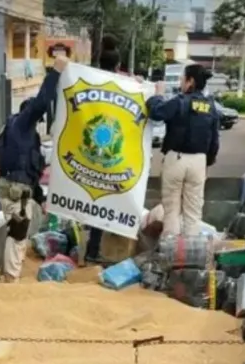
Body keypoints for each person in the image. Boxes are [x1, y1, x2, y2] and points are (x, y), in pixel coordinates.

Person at [0, 55, 69, 282]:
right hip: (14, 188)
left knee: (19, 232)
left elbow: (32, 172)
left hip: (20, 188)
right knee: (18, 233)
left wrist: (40, 199)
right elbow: (40, 103)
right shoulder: (21, 124)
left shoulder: (24, 135)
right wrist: (56, 73)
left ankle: (12, 275)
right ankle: (11, 278)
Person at [145, 64, 220, 237]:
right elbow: (215, 140)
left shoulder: (180, 101)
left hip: (176, 159)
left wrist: (157, 95)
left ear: (190, 81)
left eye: (182, 78)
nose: (180, 82)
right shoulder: (211, 106)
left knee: (171, 210)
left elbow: (156, 112)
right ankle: (190, 254)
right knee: (193, 213)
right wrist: (206, 163)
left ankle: (172, 254)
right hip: (199, 162)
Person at [84, 35, 132, 263]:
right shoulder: (127, 86)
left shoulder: (90, 81)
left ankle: (92, 252)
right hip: (117, 157)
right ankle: (115, 254)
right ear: (117, 65)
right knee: (114, 206)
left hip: (92, 156)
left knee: (94, 207)